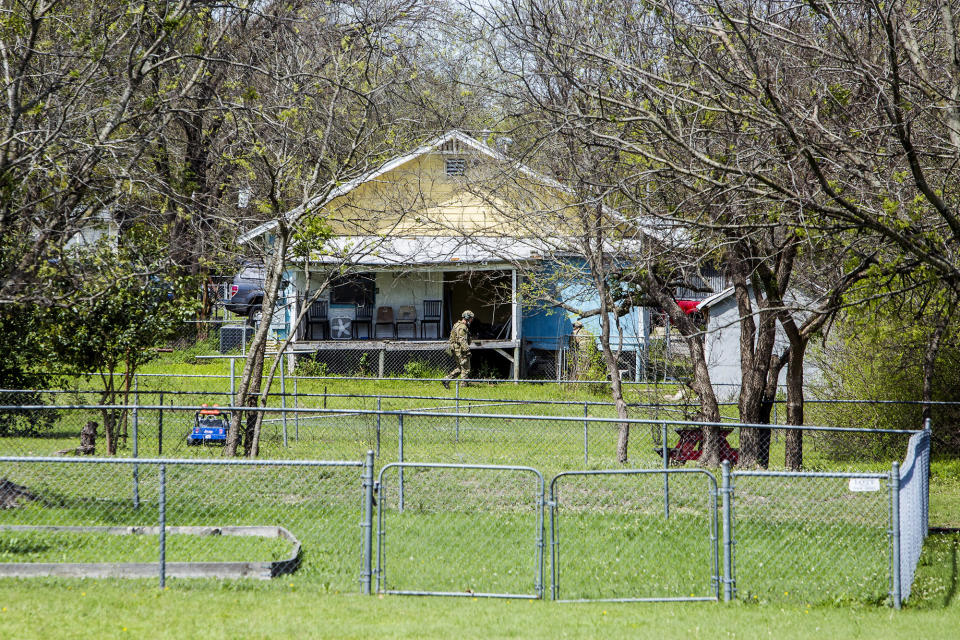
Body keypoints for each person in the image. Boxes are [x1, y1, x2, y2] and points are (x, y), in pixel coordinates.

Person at [443, 310, 474, 388]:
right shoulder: (462, 327)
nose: (472, 320)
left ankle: (446, 379)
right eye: (471, 318)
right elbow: (461, 339)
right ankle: (464, 386)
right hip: (461, 351)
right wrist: (467, 351)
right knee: (466, 368)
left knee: (460, 368)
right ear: (467, 318)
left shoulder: (456, 325)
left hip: (455, 350)